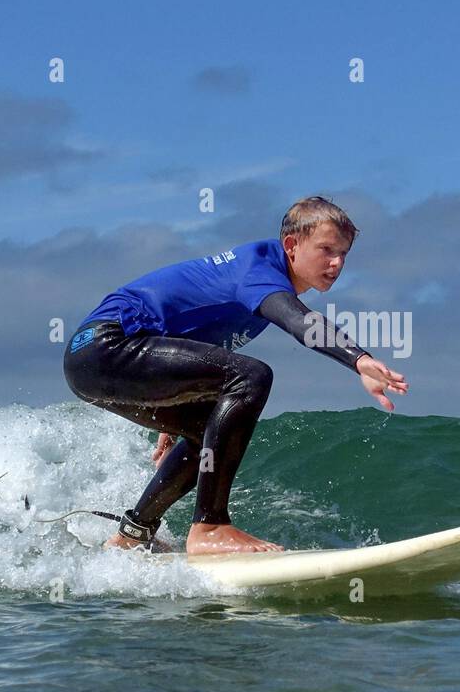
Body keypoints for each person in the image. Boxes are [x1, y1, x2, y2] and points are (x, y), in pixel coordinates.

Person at [63, 196, 409, 555]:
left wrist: (175, 401)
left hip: (94, 360)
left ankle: (132, 535)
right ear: (292, 245)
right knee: (252, 376)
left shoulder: (258, 276)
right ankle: (210, 526)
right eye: (326, 250)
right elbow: (299, 322)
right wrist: (359, 361)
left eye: (343, 254)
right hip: (108, 344)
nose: (336, 263)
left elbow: (184, 342)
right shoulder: (259, 273)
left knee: (207, 428)